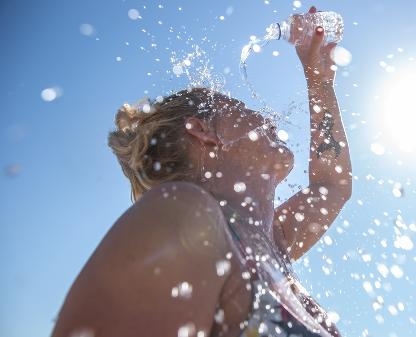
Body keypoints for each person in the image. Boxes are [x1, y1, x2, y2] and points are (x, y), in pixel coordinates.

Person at [51, 5, 352, 337]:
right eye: (244, 108)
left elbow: (332, 186)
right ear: (203, 132)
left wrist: (319, 81)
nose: (268, 118)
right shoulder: (186, 221)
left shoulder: (270, 243)